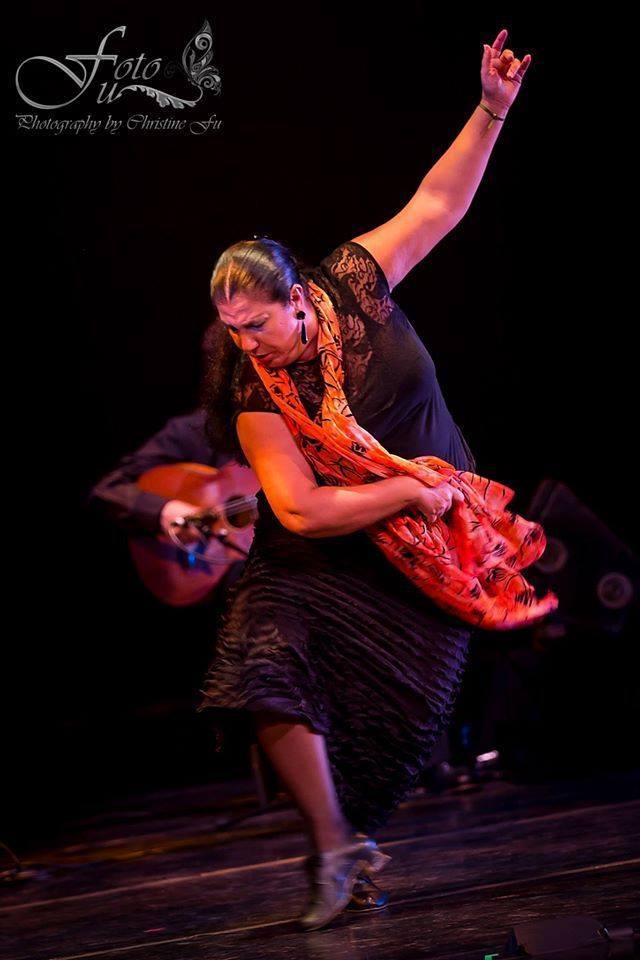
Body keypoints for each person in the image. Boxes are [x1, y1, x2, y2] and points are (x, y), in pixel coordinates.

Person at [197, 29, 532, 930]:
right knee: (262, 663)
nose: (245, 342)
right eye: (231, 328)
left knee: (395, 730)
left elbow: (435, 204)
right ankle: (332, 846)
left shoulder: (354, 280)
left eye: (257, 323)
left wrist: (491, 110)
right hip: (331, 540)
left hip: (434, 533)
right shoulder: (249, 382)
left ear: (299, 298)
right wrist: (400, 492)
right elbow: (300, 510)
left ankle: (357, 835)